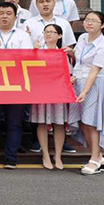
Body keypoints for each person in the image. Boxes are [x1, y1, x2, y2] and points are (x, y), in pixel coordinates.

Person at [0, 3, 34, 169]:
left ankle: (11, 157)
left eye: (8, 13)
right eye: (1, 13)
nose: (4, 16)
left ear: (15, 17)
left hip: (16, 85)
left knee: (14, 123)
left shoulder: (23, 36)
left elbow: (28, 59)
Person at [69, 11, 104, 176]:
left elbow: (94, 71)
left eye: (94, 21)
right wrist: (70, 52)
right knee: (82, 121)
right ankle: (99, 157)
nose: (89, 23)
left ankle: (94, 159)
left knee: (91, 122)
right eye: (87, 20)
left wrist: (85, 91)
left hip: (93, 85)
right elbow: (80, 58)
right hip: (78, 82)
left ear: (102, 25)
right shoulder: (82, 38)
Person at [31, 24, 73, 170]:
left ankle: (58, 155)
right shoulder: (37, 51)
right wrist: (34, 52)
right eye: (46, 32)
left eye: (52, 32)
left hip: (58, 92)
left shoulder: (63, 53)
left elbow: (69, 73)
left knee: (59, 123)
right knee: (42, 123)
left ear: (59, 36)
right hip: (41, 91)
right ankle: (46, 155)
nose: (48, 34)